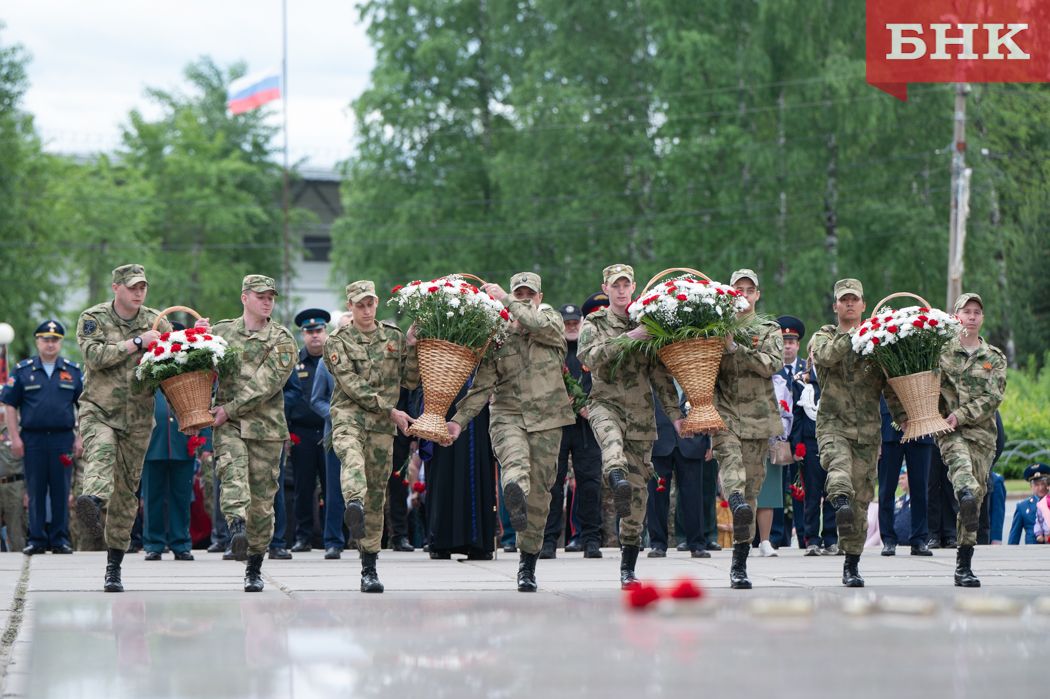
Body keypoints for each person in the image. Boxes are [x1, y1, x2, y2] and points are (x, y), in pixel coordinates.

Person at [75, 264, 206, 592]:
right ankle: (91, 499)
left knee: (126, 494)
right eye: (132, 287)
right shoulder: (94, 317)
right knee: (101, 452)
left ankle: (114, 566)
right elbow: (93, 356)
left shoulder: (155, 321)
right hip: (100, 411)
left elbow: (169, 373)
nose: (138, 293)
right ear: (116, 287)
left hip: (137, 420)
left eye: (142, 287)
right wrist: (136, 342)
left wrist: (186, 415)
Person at [446, 272, 574, 593]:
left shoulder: (552, 322)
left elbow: (537, 324)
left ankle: (527, 564)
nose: (524, 298)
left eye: (529, 294)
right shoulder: (498, 336)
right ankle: (513, 493)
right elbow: (482, 385)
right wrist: (458, 420)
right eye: (519, 293)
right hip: (508, 416)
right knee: (515, 469)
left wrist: (506, 299)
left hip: (548, 420)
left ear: (539, 297)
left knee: (540, 497)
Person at [578, 264, 685, 589]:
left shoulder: (647, 324)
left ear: (634, 287)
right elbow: (588, 356)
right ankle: (615, 475)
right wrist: (627, 339)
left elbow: (659, 376)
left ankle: (628, 567)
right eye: (615, 285)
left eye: (626, 285)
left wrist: (676, 415)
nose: (621, 290)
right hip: (604, 405)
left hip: (640, 415)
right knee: (612, 449)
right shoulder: (594, 323)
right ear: (606, 288)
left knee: (638, 496)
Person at [325, 281, 419, 593]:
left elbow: (410, 380)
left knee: (376, 495)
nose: (366, 310)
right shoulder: (336, 341)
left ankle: (369, 568)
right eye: (359, 305)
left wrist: (415, 346)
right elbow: (350, 383)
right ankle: (353, 505)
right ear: (349, 306)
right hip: (349, 417)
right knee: (351, 460)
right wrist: (389, 409)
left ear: (376, 302)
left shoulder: (393, 336)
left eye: (370, 304)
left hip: (381, 427)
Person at [811, 278, 904, 588]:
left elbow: (890, 386)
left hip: (867, 432)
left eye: (855, 299)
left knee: (862, 500)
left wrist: (904, 418)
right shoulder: (824, 336)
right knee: (838, 470)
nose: (849, 303)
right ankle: (838, 501)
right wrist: (856, 335)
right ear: (835, 306)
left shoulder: (878, 342)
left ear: (864, 305)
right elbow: (823, 356)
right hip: (833, 424)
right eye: (843, 299)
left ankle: (851, 565)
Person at [209, 275, 297, 592]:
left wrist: (229, 409)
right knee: (231, 473)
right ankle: (235, 527)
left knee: (262, 504)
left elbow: (267, 384)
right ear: (245, 298)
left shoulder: (284, 339)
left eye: (271, 296)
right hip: (228, 425)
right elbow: (199, 366)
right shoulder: (220, 332)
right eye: (260, 295)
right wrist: (197, 340)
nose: (267, 301)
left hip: (266, 429)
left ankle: (254, 567)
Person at [917, 293, 1006, 586]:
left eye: (976, 312)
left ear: (981, 318)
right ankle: (965, 497)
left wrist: (962, 414)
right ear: (956, 317)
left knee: (975, 499)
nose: (971, 316)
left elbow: (992, 397)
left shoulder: (994, 357)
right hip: (949, 431)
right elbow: (925, 383)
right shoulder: (941, 352)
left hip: (982, 436)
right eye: (966, 311)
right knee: (964, 480)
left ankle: (963, 566)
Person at [711, 269, 784, 589]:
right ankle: (734, 500)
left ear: (756, 295)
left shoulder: (769, 329)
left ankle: (738, 565)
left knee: (752, 492)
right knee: (732, 471)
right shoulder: (714, 327)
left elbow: (773, 363)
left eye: (749, 289)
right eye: (737, 288)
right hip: (724, 415)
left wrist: (737, 348)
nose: (743, 293)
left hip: (757, 418)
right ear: (730, 294)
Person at [2, 319, 83, 555]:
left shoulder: (72, 371)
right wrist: (15, 438)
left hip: (63, 439)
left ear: (60, 343)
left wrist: (81, 438)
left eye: (55, 340)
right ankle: (37, 540)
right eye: (45, 340)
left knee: (60, 490)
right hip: (32, 440)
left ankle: (59, 540)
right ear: (37, 342)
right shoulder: (22, 370)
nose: (50, 344)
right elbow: (9, 406)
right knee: (35, 490)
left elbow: (85, 407)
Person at [540, 302, 603, 559]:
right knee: (553, 483)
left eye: (575, 322)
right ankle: (548, 540)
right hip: (557, 425)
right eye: (567, 323)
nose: (571, 327)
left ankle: (590, 539)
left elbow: (605, 381)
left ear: (582, 322)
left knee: (590, 483)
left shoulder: (591, 349)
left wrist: (591, 404)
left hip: (587, 428)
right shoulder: (552, 350)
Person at [781, 316, 839, 556]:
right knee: (813, 493)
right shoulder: (800, 383)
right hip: (810, 443)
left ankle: (831, 539)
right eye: (814, 351)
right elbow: (796, 417)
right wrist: (797, 446)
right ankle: (812, 538)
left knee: (834, 491)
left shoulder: (835, 382)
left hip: (834, 443)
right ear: (811, 355)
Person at [141, 377, 212, 561]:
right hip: (152, 445)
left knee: (182, 497)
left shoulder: (185, 376)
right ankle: (153, 545)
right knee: (152, 498)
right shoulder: (147, 374)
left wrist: (206, 441)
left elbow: (199, 407)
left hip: (183, 444)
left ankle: (181, 544)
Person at [422, 380, 495, 560]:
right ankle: (440, 540)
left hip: (477, 391)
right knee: (442, 466)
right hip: (441, 386)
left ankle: (478, 543)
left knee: (477, 461)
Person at [286, 308, 331, 552]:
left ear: (326, 332)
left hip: (329, 431)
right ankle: (303, 536)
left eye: (319, 331)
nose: (315, 336)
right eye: (310, 332)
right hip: (301, 433)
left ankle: (332, 537)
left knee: (332, 486)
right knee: (303, 487)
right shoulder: (295, 362)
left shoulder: (335, 359)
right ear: (303, 335)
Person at [646, 390, 709, 558]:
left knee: (693, 496)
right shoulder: (653, 368)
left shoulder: (694, 369)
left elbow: (706, 405)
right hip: (658, 439)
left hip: (692, 440)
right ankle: (658, 543)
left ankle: (697, 544)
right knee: (656, 496)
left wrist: (709, 441)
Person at [877, 395, 934, 556]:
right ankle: (888, 539)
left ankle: (919, 539)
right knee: (886, 488)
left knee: (920, 487)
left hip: (920, 419)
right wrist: (875, 438)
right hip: (888, 423)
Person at [387, 386, 419, 552]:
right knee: (370, 488)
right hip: (374, 432)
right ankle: (367, 538)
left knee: (399, 489)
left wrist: (414, 435)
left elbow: (410, 400)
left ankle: (399, 536)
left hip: (400, 435)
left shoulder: (401, 363)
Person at [0, 408, 27, 552]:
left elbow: (29, 463)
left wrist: (28, 491)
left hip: (15, 485)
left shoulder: (19, 431)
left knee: (17, 532)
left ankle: (21, 568)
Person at [1008, 466, 1048, 545]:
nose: (1041, 488)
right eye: (1036, 485)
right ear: (1031, 486)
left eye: (1043, 484)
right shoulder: (1023, 506)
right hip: (1033, 551)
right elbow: (1014, 537)